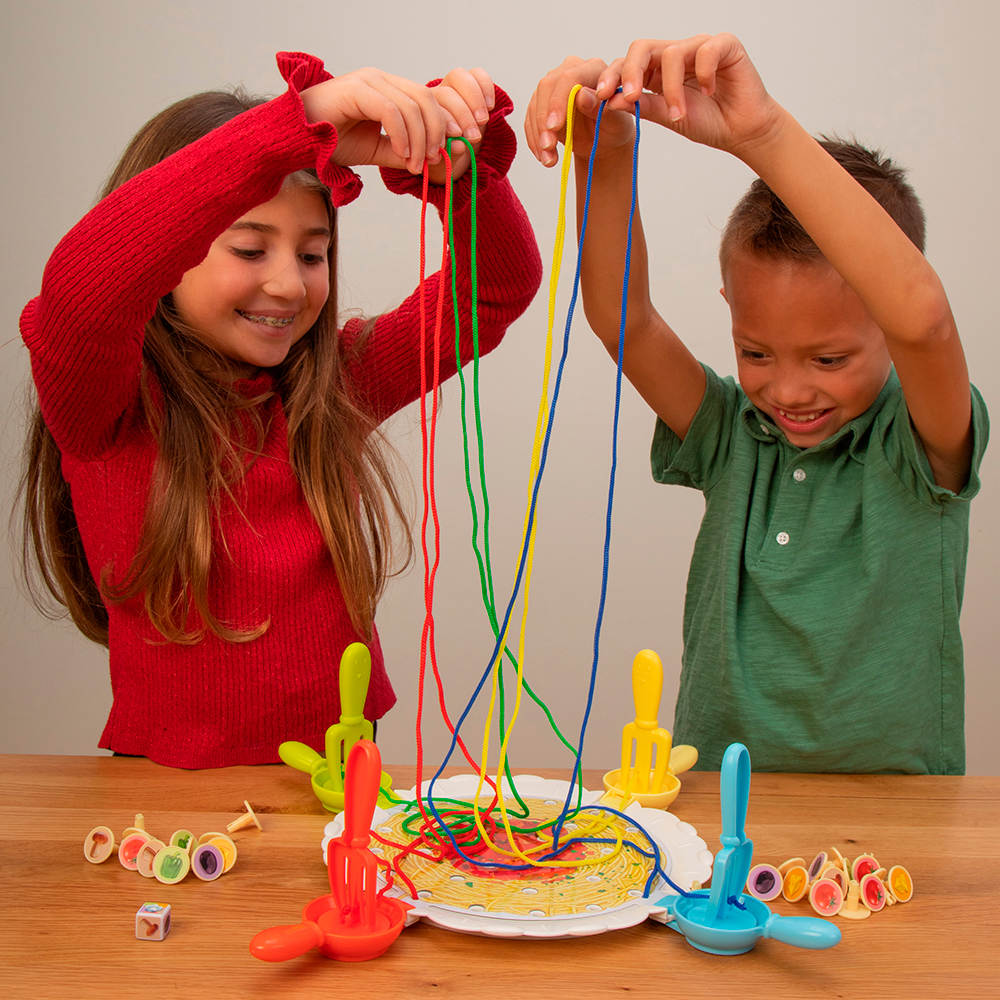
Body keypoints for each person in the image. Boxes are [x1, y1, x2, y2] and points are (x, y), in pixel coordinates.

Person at [20, 52, 542, 767]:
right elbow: (84, 287)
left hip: (340, 779)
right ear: (166, 252)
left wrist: (462, 181)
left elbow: (495, 289)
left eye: (312, 254)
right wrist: (301, 121)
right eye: (249, 248)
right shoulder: (105, 406)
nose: (289, 285)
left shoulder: (336, 384)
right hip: (166, 790)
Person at [525, 33, 987, 773]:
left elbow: (924, 320)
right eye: (757, 352)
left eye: (828, 360)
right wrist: (603, 150)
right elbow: (624, 321)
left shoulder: (920, 444)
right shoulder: (731, 430)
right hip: (719, 798)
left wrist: (762, 134)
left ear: (886, 327)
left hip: (898, 810)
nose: (788, 391)